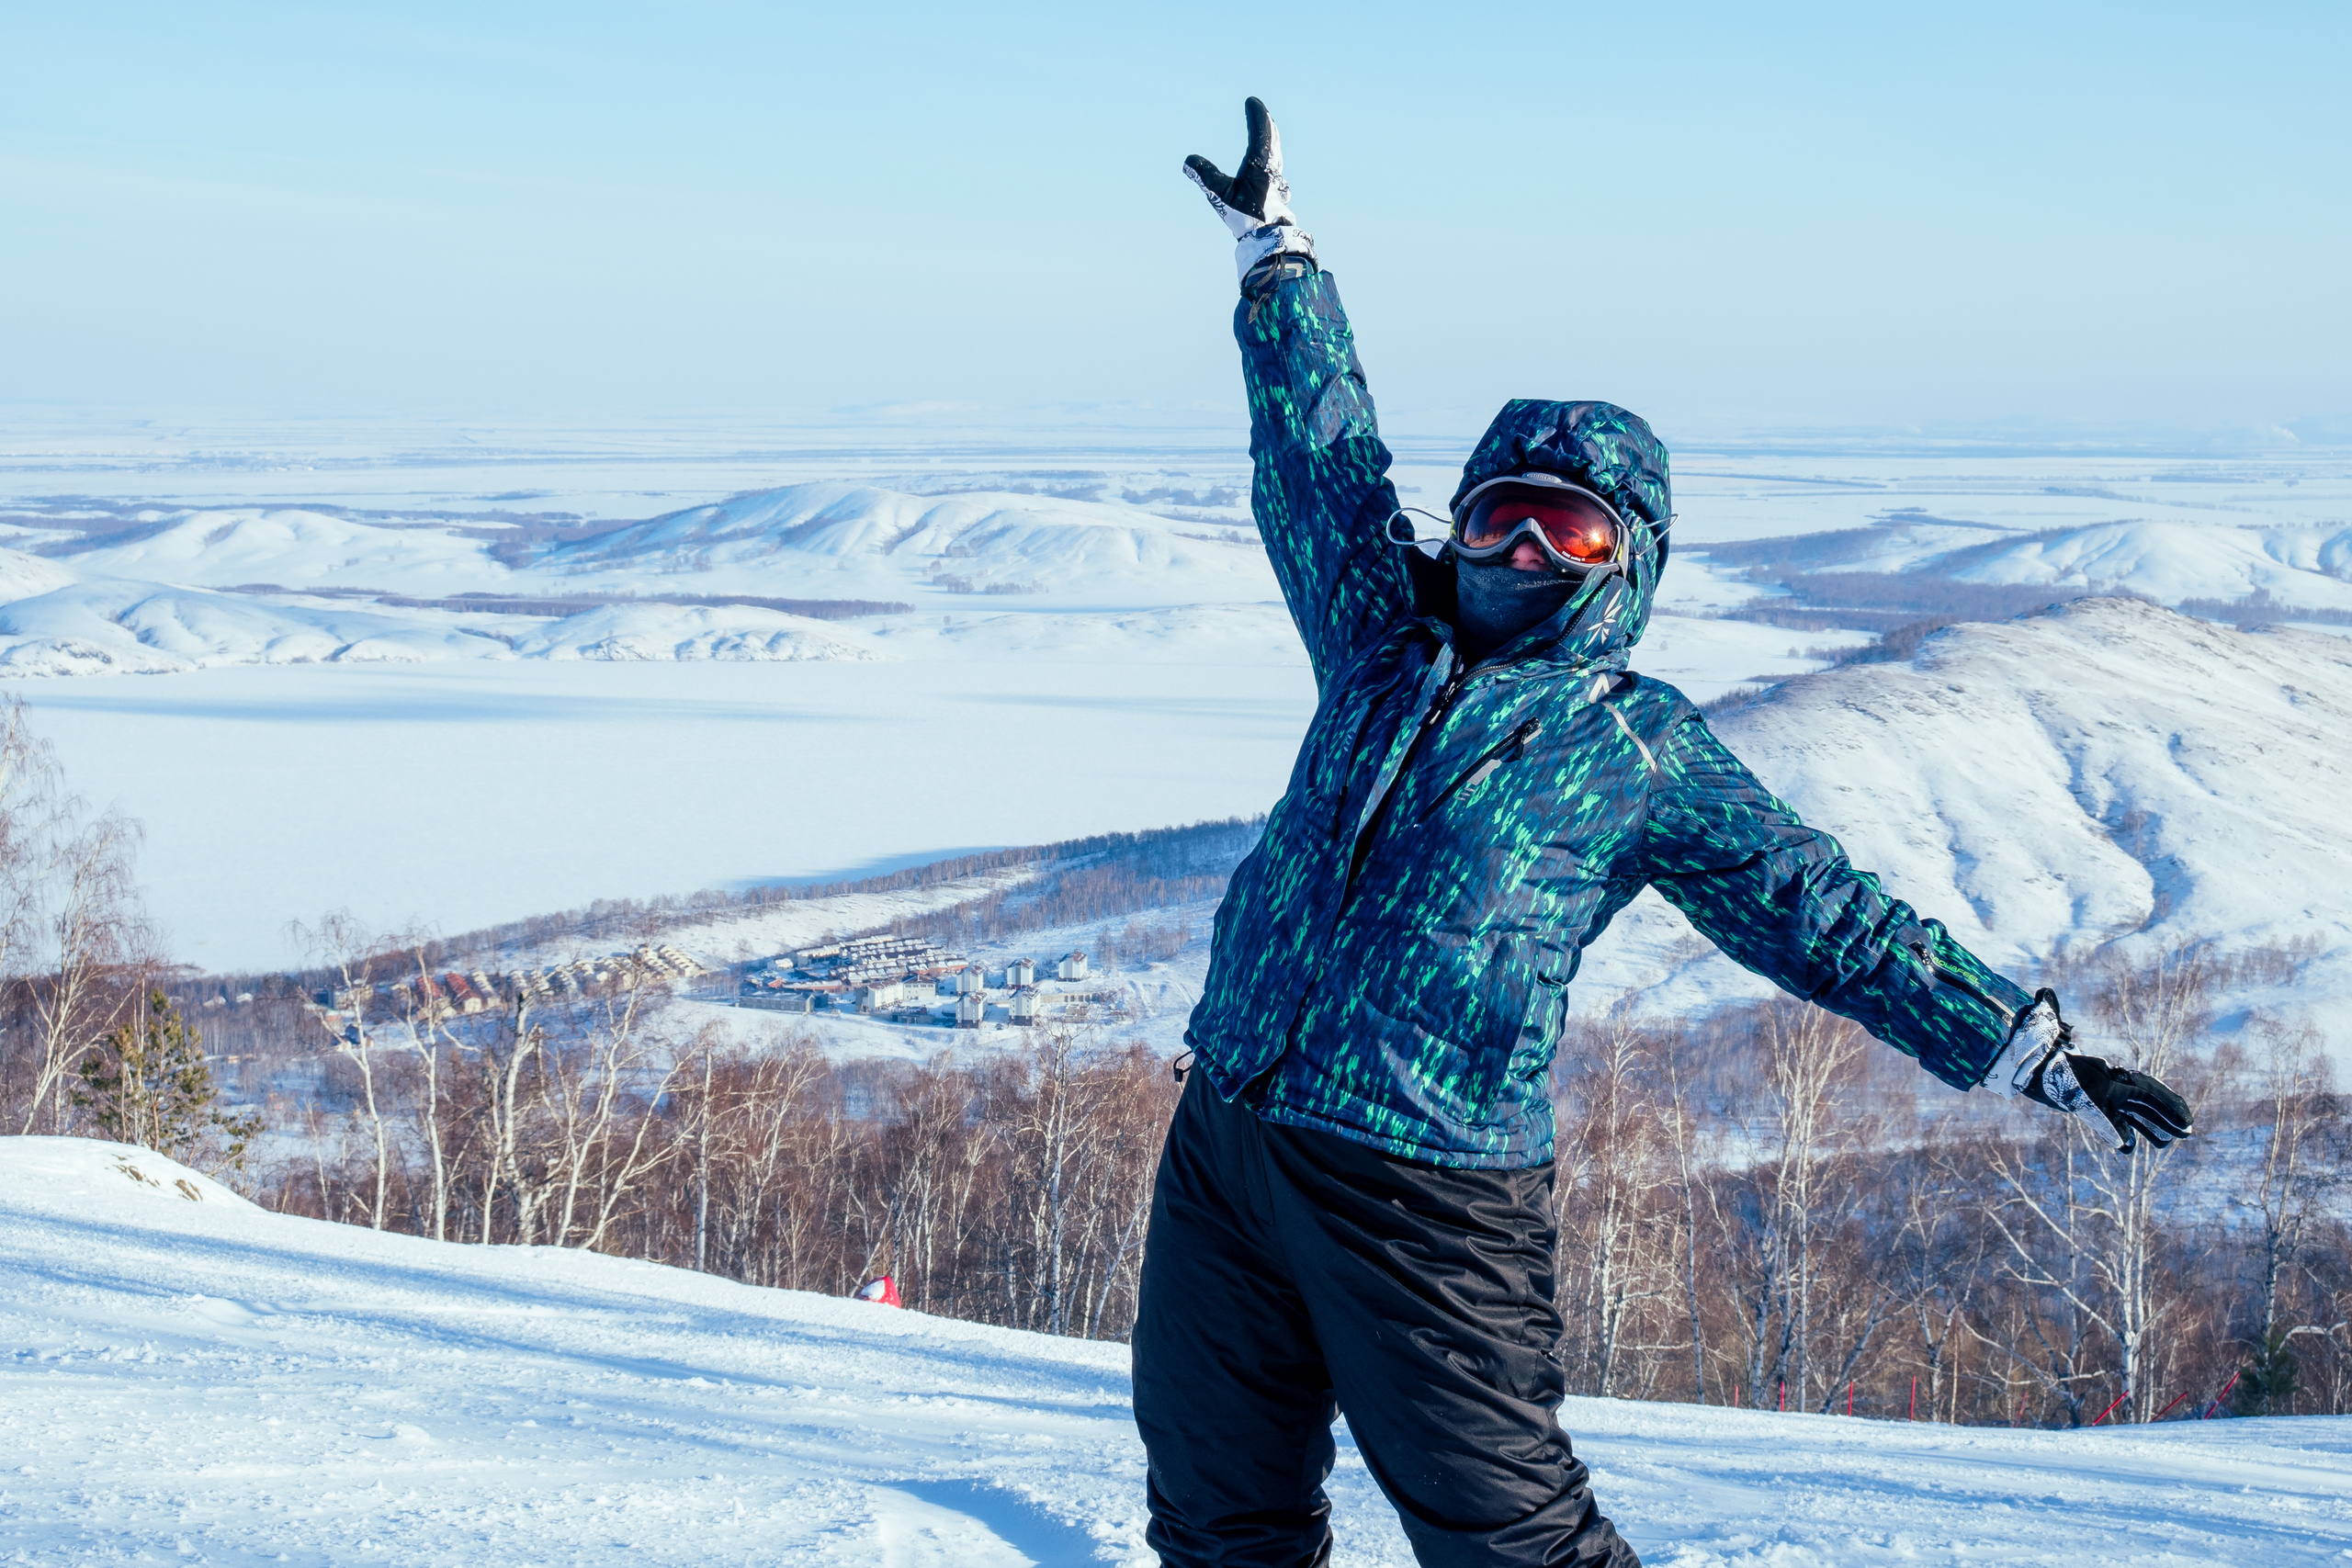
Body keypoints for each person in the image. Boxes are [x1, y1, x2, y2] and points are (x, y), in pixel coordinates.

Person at [1130, 99, 2195, 1568]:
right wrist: (1278, 261)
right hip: (1229, 1139)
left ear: (1625, 563)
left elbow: (1823, 915)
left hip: (1423, 1192)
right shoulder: (1379, 634)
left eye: (1565, 533)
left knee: (1516, 1544)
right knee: (1214, 1517)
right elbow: (1320, 458)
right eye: (1501, 514)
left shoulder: (1638, 746)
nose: (1519, 553)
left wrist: (2022, 1044)